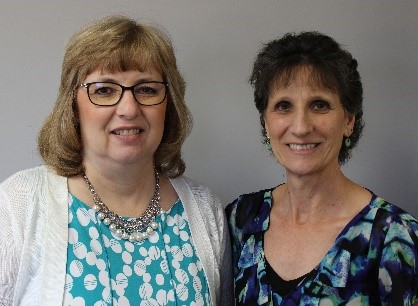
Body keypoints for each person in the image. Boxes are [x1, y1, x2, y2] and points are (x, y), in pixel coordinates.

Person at [0, 15, 232, 306]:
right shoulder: (20, 204)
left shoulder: (204, 209)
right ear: (72, 105)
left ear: (169, 104)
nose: (128, 109)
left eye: (146, 89)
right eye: (104, 90)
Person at [226, 31, 418, 305]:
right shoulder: (240, 221)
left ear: (349, 119)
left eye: (319, 105)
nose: (302, 127)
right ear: (266, 124)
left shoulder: (396, 239)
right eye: (283, 106)